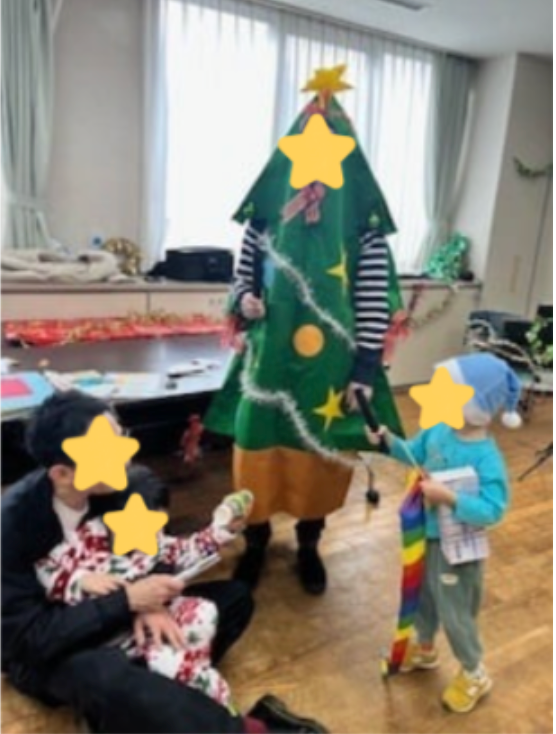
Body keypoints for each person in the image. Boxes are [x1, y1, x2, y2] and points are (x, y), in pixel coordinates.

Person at [2, 391, 328, 733]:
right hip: (54, 647)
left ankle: (142, 705)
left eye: (122, 437)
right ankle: (246, 728)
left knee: (236, 599)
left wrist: (150, 600)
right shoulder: (14, 526)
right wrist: (126, 602)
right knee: (102, 674)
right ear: (62, 474)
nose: (126, 455)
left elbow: (157, 554)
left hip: (122, 618)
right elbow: (24, 641)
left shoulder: (125, 486)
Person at [204, 66, 403, 595]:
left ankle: (310, 545)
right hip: (267, 362)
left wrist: (365, 369)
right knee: (257, 452)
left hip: (329, 366)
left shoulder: (364, 230)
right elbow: (242, 281)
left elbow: (372, 302)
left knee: (318, 456)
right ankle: (256, 543)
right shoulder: (265, 218)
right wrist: (244, 300)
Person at [366, 353, 522, 714]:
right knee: (422, 597)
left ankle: (474, 672)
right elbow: (412, 453)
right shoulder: (438, 430)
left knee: (455, 613)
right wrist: (387, 440)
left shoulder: (486, 458)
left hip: (459, 551)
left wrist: (450, 498)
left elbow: (493, 509)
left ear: (475, 404)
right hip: (427, 536)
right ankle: (425, 648)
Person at [35, 490, 255, 710]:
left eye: (161, 524)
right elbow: (52, 574)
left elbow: (185, 550)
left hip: (159, 623)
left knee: (207, 610)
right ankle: (199, 694)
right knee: (164, 662)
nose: (157, 532)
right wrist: (83, 581)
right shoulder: (86, 547)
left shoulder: (154, 541)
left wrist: (221, 530)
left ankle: (192, 684)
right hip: (112, 639)